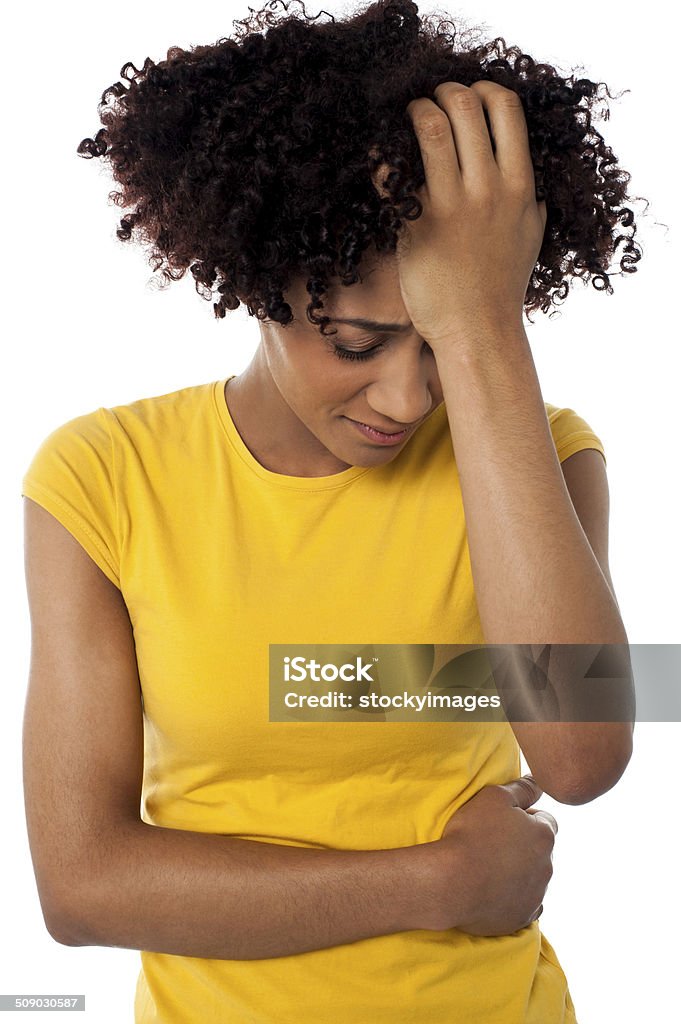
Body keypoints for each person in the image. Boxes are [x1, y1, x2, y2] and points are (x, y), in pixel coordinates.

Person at [21, 1, 639, 1021]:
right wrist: (439, 881)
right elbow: (81, 887)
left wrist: (485, 332)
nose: (405, 397)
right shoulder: (104, 478)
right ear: (257, 282)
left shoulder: (544, 456)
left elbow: (580, 757)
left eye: (441, 345)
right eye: (357, 340)